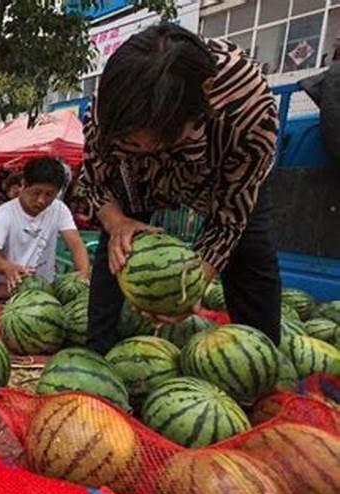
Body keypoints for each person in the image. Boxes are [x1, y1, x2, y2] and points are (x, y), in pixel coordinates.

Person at [77, 23, 280, 353]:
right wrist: (117, 223)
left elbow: (229, 218)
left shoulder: (249, 108)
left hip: (222, 178)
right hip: (136, 177)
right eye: (132, 140)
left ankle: (263, 367)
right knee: (117, 250)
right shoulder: (110, 107)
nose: (144, 145)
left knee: (251, 253)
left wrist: (190, 285)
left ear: (206, 91)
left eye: (156, 137)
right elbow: (95, 181)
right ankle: (97, 355)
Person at [0, 156, 90, 291]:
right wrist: (7, 267)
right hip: (7, 290)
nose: (41, 200)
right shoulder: (3, 213)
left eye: (49, 194)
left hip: (46, 289)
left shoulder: (59, 209)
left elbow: (76, 244)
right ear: (24, 184)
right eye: (36, 192)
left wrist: (83, 273)